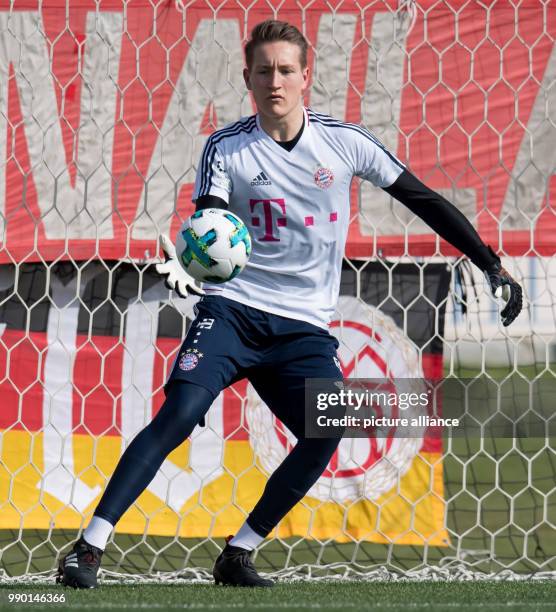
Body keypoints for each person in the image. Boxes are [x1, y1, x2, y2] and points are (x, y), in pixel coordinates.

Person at [56, 19, 522, 589]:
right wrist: (193, 258)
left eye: (285, 70)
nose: (274, 80)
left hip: (303, 329)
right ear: (247, 79)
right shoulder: (226, 147)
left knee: (327, 430)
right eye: (263, 70)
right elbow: (211, 223)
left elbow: (422, 199)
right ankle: (88, 548)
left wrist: (489, 262)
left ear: (306, 75)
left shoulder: (344, 143)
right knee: (178, 415)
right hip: (232, 311)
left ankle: (238, 552)